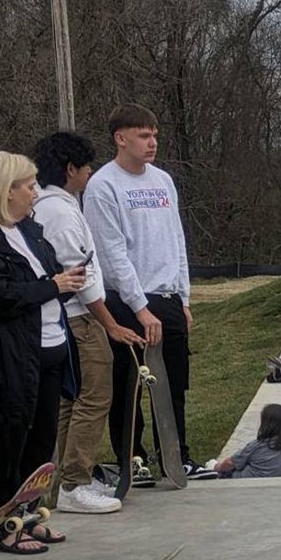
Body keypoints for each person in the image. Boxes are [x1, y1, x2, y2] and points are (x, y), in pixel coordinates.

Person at [83, 104, 199, 474]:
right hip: (126, 301)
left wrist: (183, 297)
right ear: (121, 139)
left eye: (155, 136)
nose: (152, 143)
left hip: (167, 297)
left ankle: (175, 455)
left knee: (173, 386)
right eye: (143, 136)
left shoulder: (163, 180)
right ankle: (132, 457)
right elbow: (112, 253)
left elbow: (176, 239)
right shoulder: (103, 185)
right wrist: (139, 307)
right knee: (129, 386)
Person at [32, 131, 144, 514]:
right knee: (95, 396)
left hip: (67, 320)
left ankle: (62, 477)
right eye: (86, 167)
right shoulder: (60, 212)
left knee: (71, 399)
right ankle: (74, 483)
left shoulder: (48, 205)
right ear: (70, 169)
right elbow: (82, 278)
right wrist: (110, 324)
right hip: (79, 320)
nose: (90, 173)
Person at [0, 151, 86, 554]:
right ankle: (3, 524)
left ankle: (28, 515)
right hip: (16, 356)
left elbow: (51, 272)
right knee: (12, 437)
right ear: (7, 190)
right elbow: (4, 295)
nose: (36, 193)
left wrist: (68, 277)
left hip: (53, 347)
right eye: (29, 186)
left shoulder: (30, 231)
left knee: (42, 440)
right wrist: (53, 286)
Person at [211, 404, 281, 479]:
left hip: (247, 482)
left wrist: (217, 467)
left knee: (213, 465)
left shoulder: (257, 445)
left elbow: (230, 463)